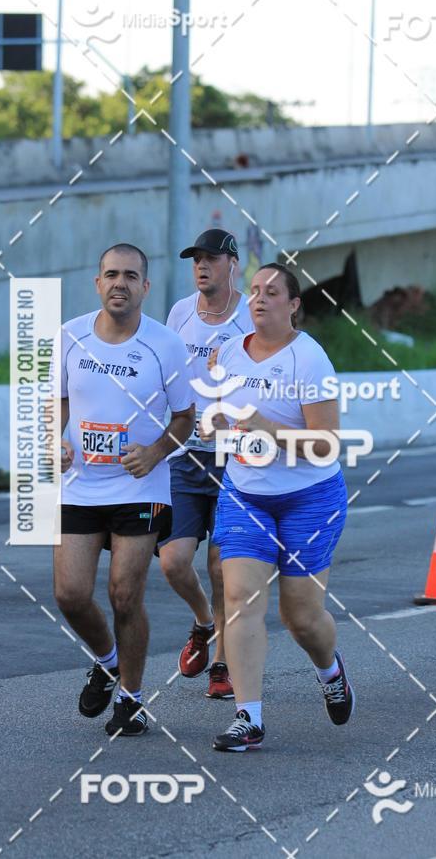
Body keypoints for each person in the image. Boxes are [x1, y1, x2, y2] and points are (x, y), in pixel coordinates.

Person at [204, 263, 353, 752]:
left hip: (310, 497)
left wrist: (270, 429)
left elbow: (328, 444)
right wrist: (215, 423)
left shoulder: (309, 361)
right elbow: (223, 413)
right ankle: (249, 717)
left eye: (272, 292)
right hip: (246, 493)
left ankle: (329, 669)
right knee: (240, 598)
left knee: (301, 618)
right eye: (253, 291)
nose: (259, 299)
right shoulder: (230, 352)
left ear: (293, 305)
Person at [55, 243, 194, 737]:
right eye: (111, 274)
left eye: (130, 276)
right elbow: (58, 405)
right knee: (70, 594)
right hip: (80, 487)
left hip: (141, 486)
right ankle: (107, 659)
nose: (120, 283)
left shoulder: (165, 345)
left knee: (124, 594)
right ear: (97, 283)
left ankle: (132, 698)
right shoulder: (69, 336)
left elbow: (185, 418)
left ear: (145, 287)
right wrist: (57, 443)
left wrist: (156, 452)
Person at [159, 228, 253, 699]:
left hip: (235, 459)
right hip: (183, 453)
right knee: (174, 562)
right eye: (196, 258)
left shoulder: (249, 319)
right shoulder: (179, 312)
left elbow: (267, 380)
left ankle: (221, 666)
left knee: (221, 565)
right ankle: (204, 622)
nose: (201, 266)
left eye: (211, 259)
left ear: (232, 264)